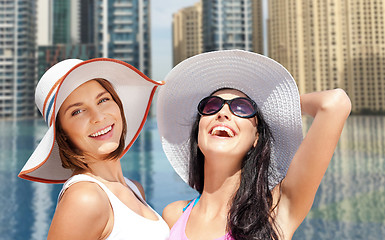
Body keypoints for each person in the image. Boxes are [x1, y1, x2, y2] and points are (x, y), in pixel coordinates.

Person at [156, 50, 351, 240]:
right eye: (211, 106)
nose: (222, 113)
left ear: (256, 138)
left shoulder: (276, 211)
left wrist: (273, 108)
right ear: (198, 133)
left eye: (242, 108)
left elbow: (334, 103)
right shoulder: (174, 215)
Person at [18, 58, 170, 239]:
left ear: (118, 105)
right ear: (62, 134)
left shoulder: (134, 188)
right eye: (77, 111)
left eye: (103, 99)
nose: (98, 117)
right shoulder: (85, 198)